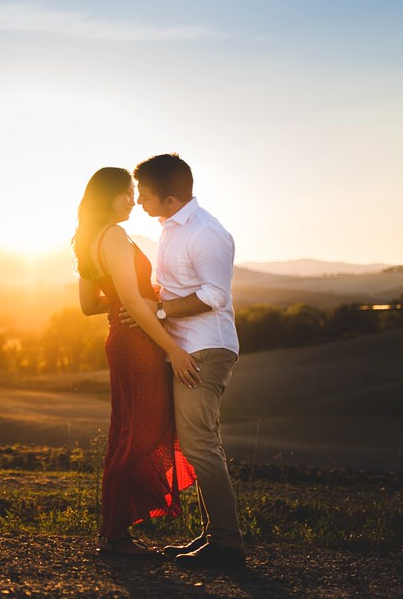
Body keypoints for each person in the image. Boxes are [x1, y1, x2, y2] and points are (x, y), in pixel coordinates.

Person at [126, 153, 245, 569]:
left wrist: (157, 312)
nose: (139, 201)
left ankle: (227, 546)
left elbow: (216, 295)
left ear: (170, 198)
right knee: (199, 444)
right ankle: (216, 538)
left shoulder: (206, 232)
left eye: (144, 193)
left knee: (200, 445)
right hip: (187, 348)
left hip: (204, 350)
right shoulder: (171, 229)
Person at [74, 167, 198, 557]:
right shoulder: (113, 235)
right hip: (138, 345)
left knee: (126, 431)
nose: (133, 200)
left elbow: (88, 305)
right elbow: (129, 299)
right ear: (108, 196)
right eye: (127, 193)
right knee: (142, 431)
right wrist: (172, 348)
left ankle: (114, 532)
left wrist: (136, 298)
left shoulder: (88, 240)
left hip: (121, 340)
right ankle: (115, 536)